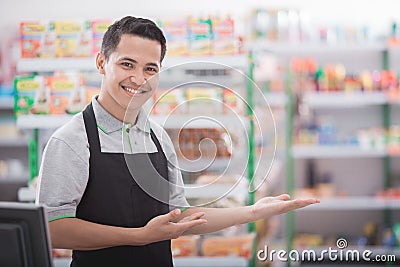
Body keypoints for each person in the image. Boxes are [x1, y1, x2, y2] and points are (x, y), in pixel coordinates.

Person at [36, 16, 319, 267]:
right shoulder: (72, 140)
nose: (138, 78)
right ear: (101, 63)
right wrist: (140, 237)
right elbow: (53, 228)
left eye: (150, 68)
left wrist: (253, 212)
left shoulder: (157, 138)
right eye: (127, 64)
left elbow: (180, 214)